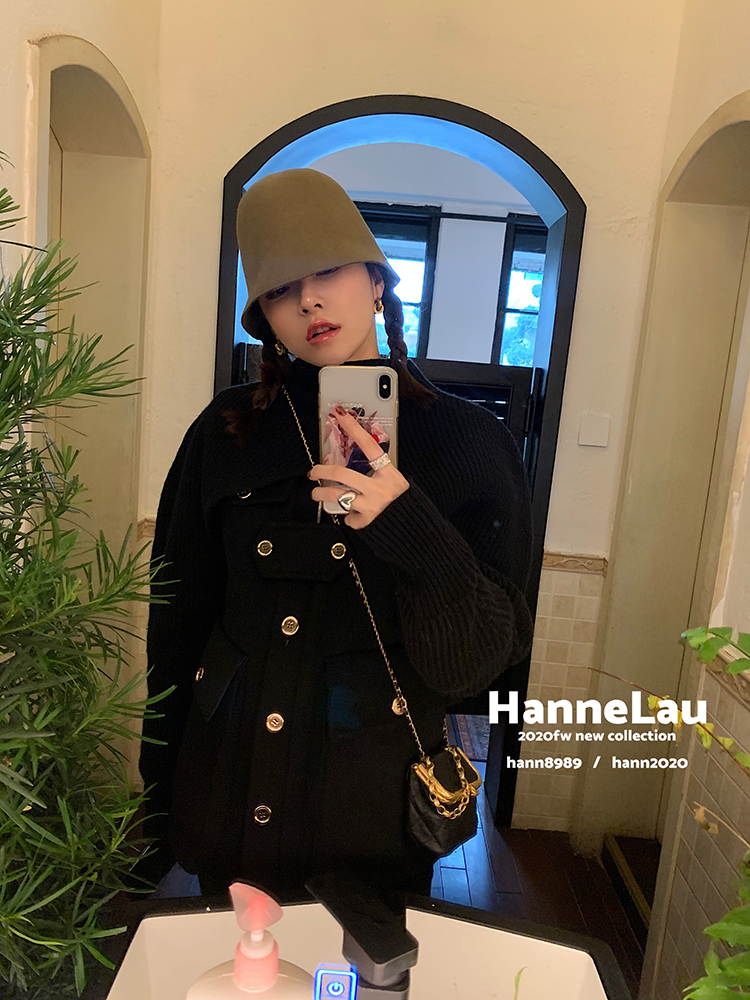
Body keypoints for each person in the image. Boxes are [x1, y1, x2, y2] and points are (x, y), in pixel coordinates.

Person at [138, 168, 535, 903]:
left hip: (372, 814)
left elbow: (473, 669)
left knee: (360, 963)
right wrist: (157, 806)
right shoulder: (226, 433)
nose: (309, 301)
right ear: (266, 319)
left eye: (327, 273)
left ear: (378, 282)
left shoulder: (472, 442)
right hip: (229, 791)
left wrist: (408, 524)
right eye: (281, 290)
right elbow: (177, 629)